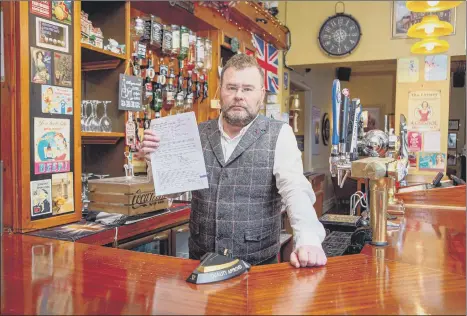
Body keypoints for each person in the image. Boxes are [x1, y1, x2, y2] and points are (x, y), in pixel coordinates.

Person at [140, 54, 326, 268]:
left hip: (257, 267)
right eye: (231, 88)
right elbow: (168, 191)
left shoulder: (279, 134)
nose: (239, 96)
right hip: (200, 262)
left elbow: (295, 189)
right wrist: (156, 161)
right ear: (220, 92)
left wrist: (309, 240)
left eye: (247, 89)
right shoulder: (196, 134)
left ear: (261, 95)